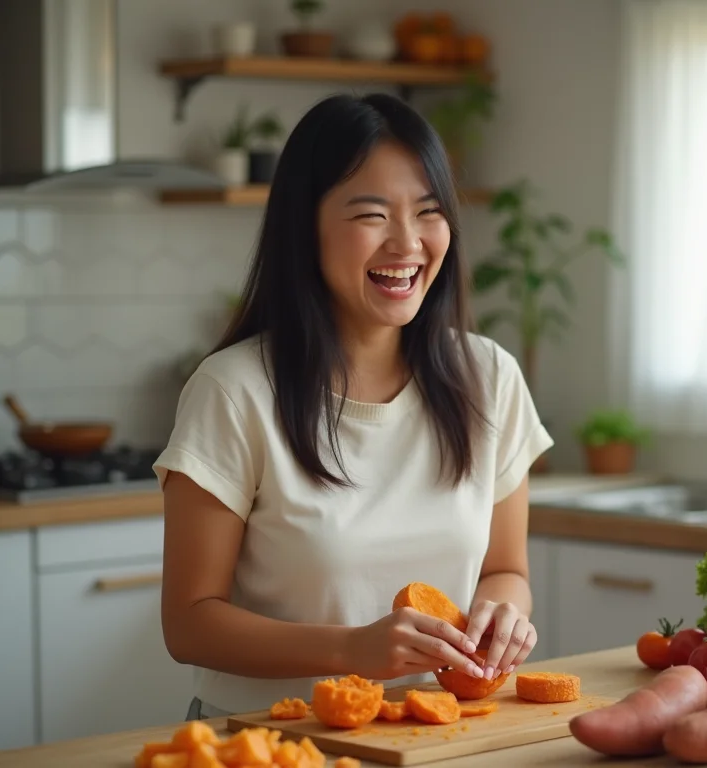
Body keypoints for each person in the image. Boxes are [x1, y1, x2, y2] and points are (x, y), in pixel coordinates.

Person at [152, 92, 553, 720]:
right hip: (268, 744)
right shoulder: (233, 390)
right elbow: (189, 623)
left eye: (428, 212)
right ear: (304, 226)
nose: (408, 242)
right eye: (372, 215)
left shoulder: (489, 377)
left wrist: (505, 614)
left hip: (425, 737)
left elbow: (506, 571)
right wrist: (351, 649)